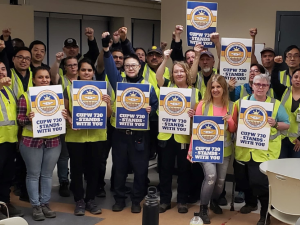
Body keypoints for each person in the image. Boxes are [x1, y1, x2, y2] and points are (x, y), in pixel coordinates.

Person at [102, 32, 158, 213]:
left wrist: (150, 112)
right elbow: (110, 69)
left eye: (134, 65)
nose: (131, 68)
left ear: (139, 66)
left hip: (140, 136)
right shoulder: (119, 84)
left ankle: (136, 200)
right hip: (120, 135)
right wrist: (106, 50)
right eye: (127, 66)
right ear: (123, 68)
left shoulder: (148, 88)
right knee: (119, 169)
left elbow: (156, 108)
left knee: (141, 171)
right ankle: (119, 199)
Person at [234, 74, 290, 225]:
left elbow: (287, 124)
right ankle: (251, 203)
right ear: (251, 85)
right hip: (243, 151)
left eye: (264, 85)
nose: (260, 87)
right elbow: (233, 123)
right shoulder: (241, 102)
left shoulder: (275, 104)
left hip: (265, 153)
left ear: (268, 87)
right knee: (243, 181)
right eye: (257, 84)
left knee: (259, 184)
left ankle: (265, 214)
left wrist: (276, 123)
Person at [17, 67, 68, 221]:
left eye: (47, 77)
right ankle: (36, 206)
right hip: (31, 141)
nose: (44, 80)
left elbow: (60, 116)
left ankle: (45, 203)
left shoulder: (56, 96)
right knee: (33, 175)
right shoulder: (25, 96)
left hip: (53, 140)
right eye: (40, 77)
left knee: (47, 175)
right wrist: (28, 119)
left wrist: (65, 115)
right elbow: (19, 120)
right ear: (34, 79)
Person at [187, 74, 237, 224]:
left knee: (220, 182)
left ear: (224, 88)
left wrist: (230, 120)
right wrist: (191, 149)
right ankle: (203, 208)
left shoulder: (232, 106)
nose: (215, 90)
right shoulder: (203, 104)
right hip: (205, 150)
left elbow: (233, 129)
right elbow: (196, 130)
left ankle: (213, 200)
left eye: (218, 87)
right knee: (211, 177)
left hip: (224, 151)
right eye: (213, 87)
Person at [64, 58, 111, 216]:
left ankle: (90, 199)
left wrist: (108, 103)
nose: (86, 73)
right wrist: (70, 120)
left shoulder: (102, 89)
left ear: (93, 72)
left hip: (97, 136)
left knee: (94, 170)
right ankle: (79, 200)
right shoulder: (69, 89)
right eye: (83, 70)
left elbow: (108, 115)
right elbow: (65, 112)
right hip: (75, 137)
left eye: (89, 70)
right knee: (76, 170)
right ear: (77, 71)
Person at [156, 48, 201, 214]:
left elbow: (200, 115)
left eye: (182, 70)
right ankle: (165, 200)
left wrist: (194, 115)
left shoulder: (195, 92)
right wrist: (165, 59)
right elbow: (158, 77)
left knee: (184, 171)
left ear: (187, 72)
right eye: (176, 71)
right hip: (166, 136)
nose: (179, 73)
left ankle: (182, 200)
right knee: (165, 169)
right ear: (172, 74)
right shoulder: (167, 87)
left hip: (184, 137)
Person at [0, 41, 23, 219]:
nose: (2, 72)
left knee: (7, 174)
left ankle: (4, 202)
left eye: (3, 69)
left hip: (10, 139)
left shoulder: (8, 90)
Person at [271, 56, 300, 158]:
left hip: (297, 141)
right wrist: (277, 65)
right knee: (280, 167)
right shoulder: (284, 91)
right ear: (292, 79)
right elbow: (274, 81)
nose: (298, 80)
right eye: (296, 77)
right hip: (282, 137)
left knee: (295, 170)